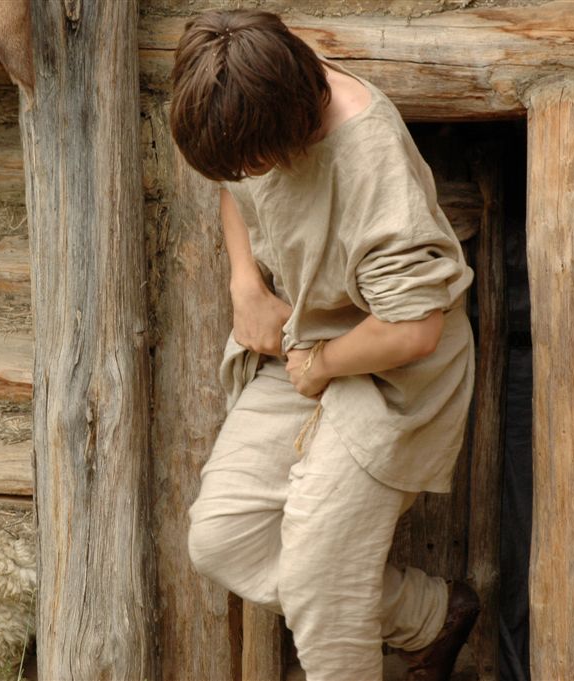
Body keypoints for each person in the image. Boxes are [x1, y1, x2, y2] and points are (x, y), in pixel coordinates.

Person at [169, 9, 480, 681]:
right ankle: (429, 616)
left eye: (256, 161)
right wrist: (245, 283)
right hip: (306, 345)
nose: (247, 172)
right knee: (223, 538)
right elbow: (233, 187)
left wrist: (322, 364)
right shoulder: (253, 83)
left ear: (292, 126)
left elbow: (414, 327)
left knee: (321, 584)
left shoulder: (369, 160)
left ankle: (344, 614)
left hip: (394, 368)